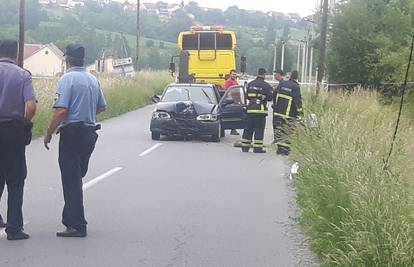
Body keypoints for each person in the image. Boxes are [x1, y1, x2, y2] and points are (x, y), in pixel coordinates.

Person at [44, 44, 106, 238]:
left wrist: (48, 133)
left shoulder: (67, 79)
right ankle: (70, 218)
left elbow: (61, 110)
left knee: (70, 178)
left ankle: (77, 224)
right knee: (76, 176)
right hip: (88, 133)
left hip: (72, 132)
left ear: (67, 60)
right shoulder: (92, 80)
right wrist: (86, 112)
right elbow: (101, 107)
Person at [0, 39, 37, 240]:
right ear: (16, 53)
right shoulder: (22, 75)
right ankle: (14, 228)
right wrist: (24, 122)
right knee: (15, 179)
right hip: (12, 131)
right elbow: (31, 106)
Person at [240, 68, 273, 153]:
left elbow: (247, 96)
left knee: (248, 128)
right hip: (260, 111)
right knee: (259, 129)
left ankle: (245, 147)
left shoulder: (250, 84)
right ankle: (257, 148)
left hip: (250, 109)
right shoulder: (266, 86)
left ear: (257, 73)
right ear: (264, 74)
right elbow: (270, 98)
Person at [272, 70, 303, 156]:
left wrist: (275, 106)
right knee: (288, 131)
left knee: (279, 129)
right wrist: (300, 113)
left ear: (290, 76)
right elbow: (297, 101)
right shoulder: (296, 87)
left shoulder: (282, 84)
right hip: (289, 113)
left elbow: (274, 94)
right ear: (297, 77)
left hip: (278, 112)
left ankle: (279, 148)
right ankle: (285, 150)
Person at [224, 69, 240, 135]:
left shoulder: (235, 81)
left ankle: (233, 129)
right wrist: (229, 99)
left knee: (235, 114)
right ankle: (232, 129)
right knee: (232, 115)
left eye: (235, 74)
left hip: (236, 100)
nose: (234, 75)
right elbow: (227, 91)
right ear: (230, 74)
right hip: (231, 101)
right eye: (233, 74)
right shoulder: (228, 81)